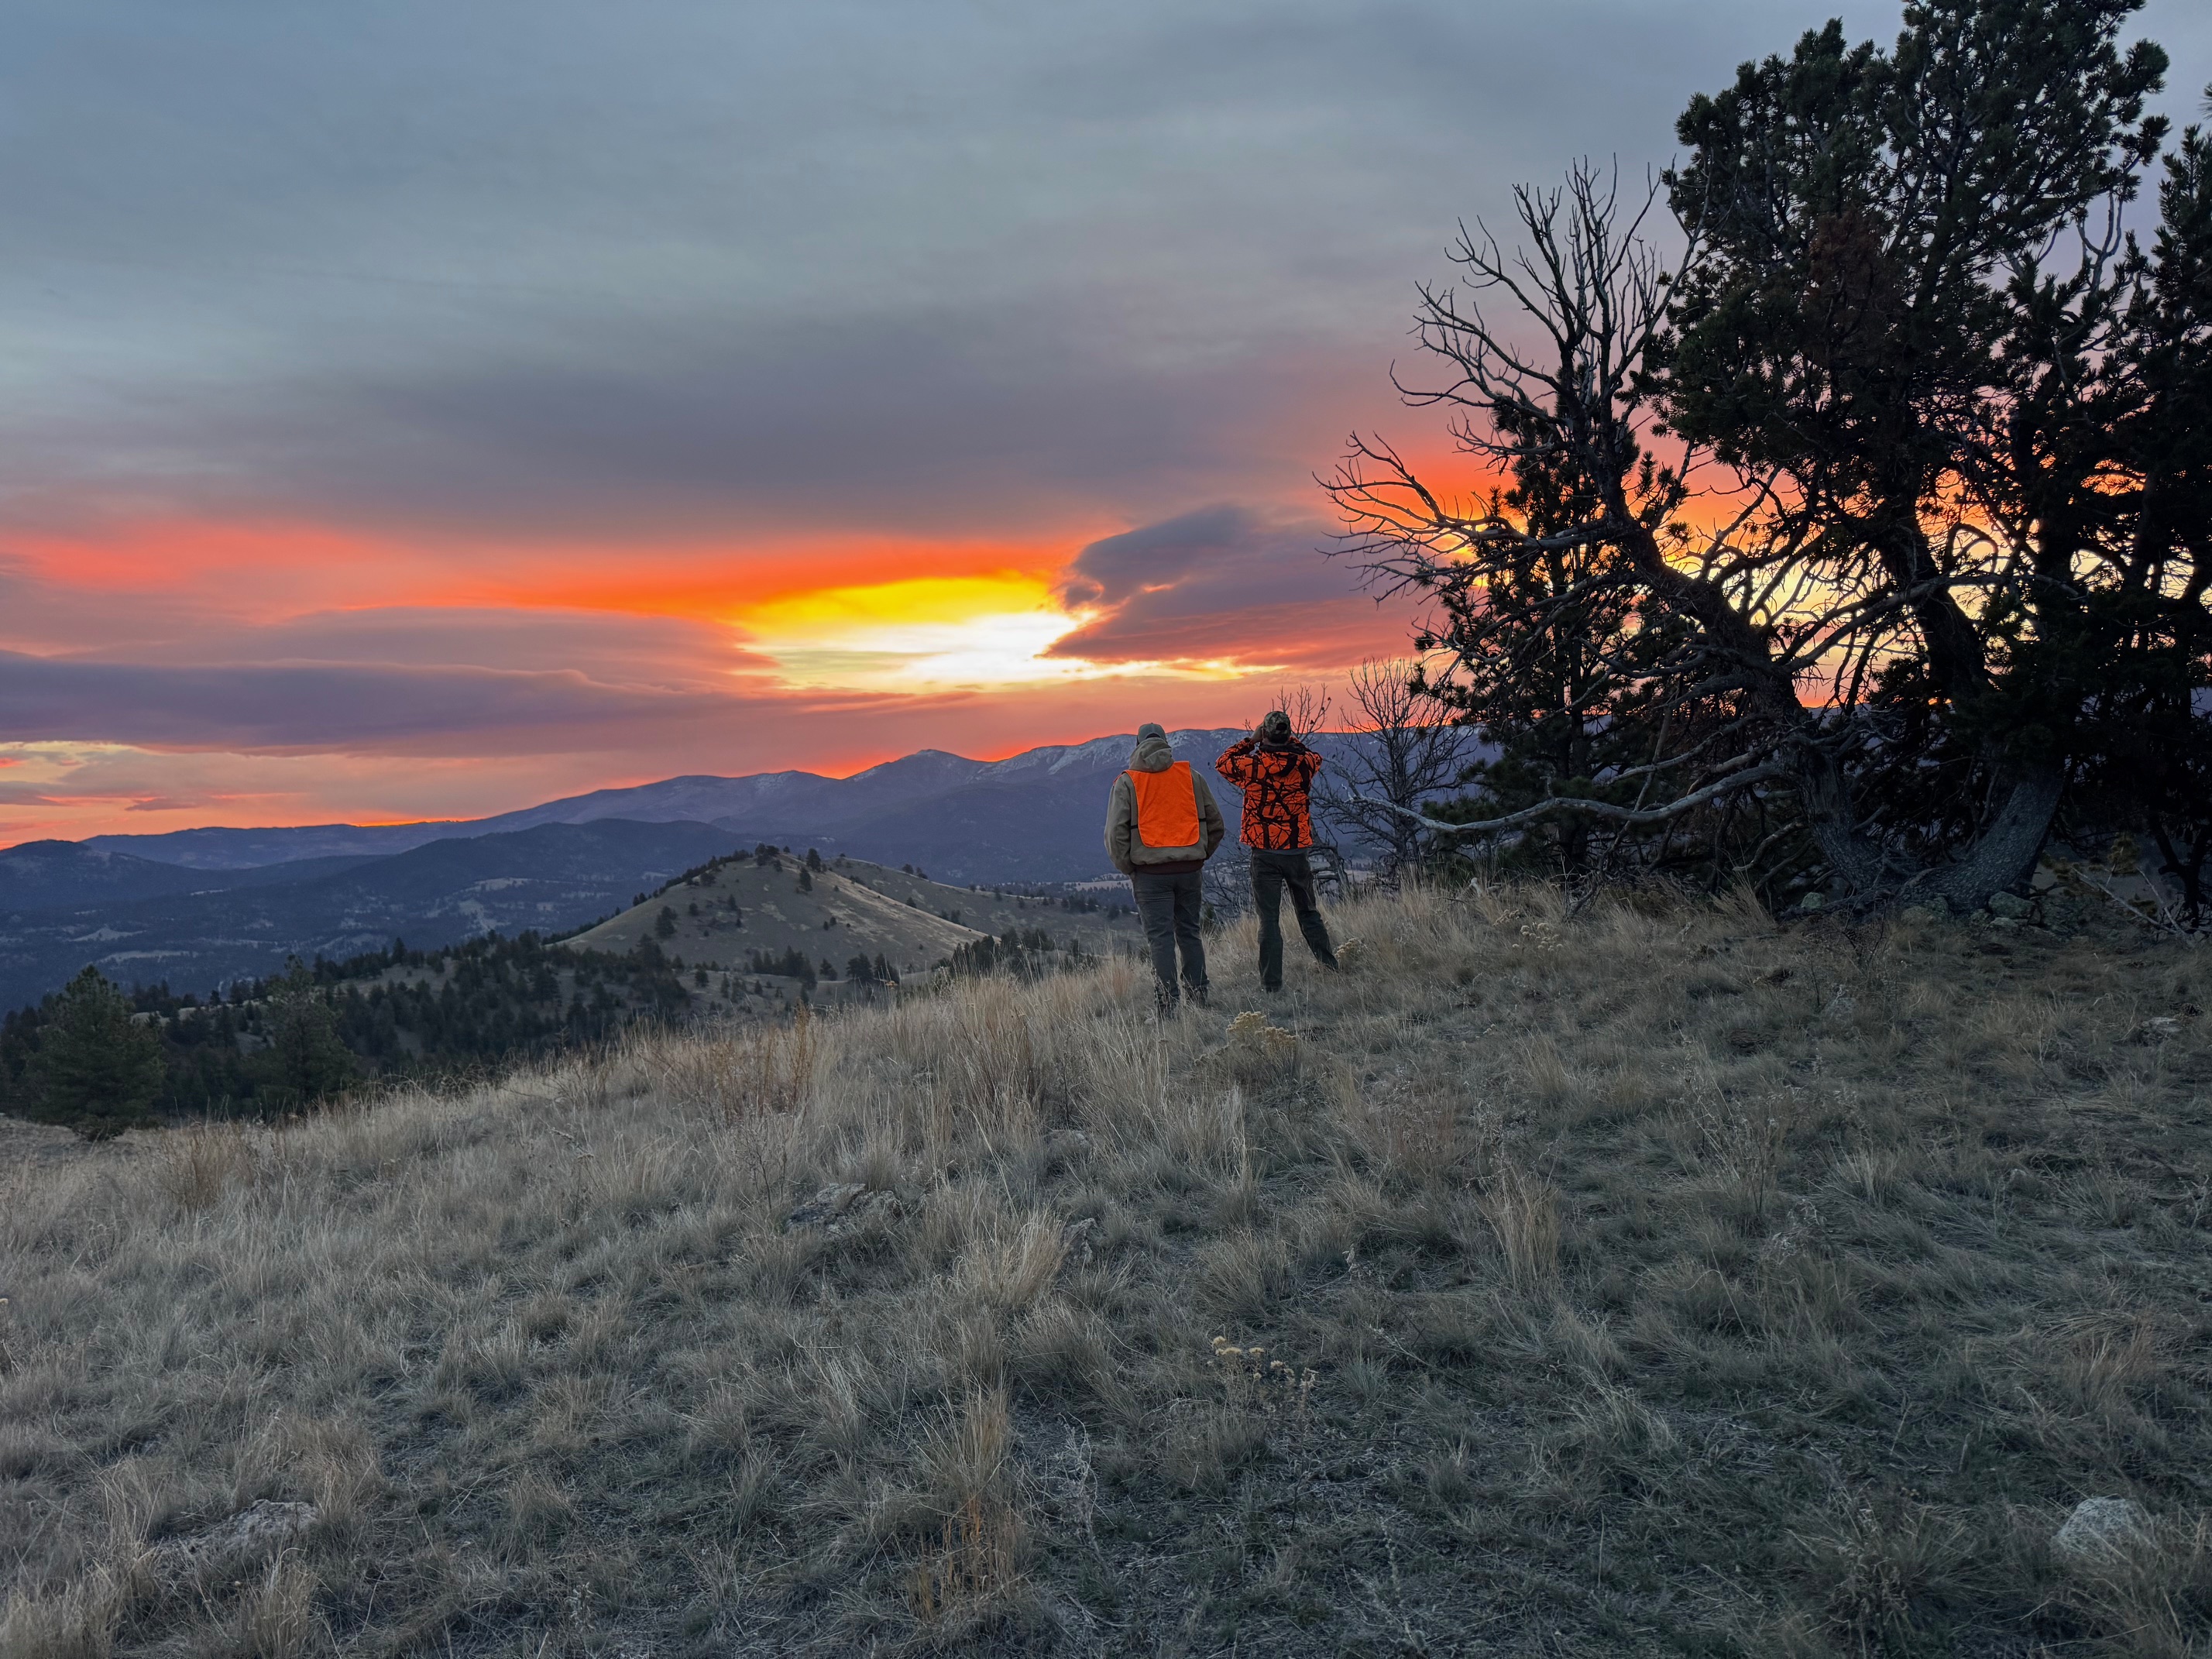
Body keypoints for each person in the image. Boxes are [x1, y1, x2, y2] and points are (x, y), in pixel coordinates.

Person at [1104, 722, 1227, 1013]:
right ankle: (1198, 999)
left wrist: (1131, 869)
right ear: (1165, 742)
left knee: (1160, 940)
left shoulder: (1127, 782)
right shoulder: (1191, 777)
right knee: (1189, 933)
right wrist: (1198, 855)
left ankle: (1167, 1007)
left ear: (1137, 745)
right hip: (1190, 871)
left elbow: (1114, 835)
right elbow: (1216, 824)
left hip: (1150, 876)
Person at [1216, 711, 1339, 992]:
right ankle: (1330, 966)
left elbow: (1223, 763)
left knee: (1269, 920)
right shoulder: (1305, 764)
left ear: (1266, 734)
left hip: (1265, 852)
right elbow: (1310, 754)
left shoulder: (1255, 766)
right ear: (1288, 735)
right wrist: (1287, 740)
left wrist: (1252, 740)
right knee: (1308, 911)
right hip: (1297, 850)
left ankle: (1272, 984)